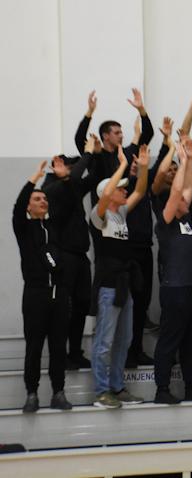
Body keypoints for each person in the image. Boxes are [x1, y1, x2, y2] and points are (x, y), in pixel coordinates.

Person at [152, 137, 192, 404]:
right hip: (174, 288)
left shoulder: (187, 218)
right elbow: (179, 190)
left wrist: (189, 159)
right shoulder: (166, 220)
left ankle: (191, 387)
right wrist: (181, 159)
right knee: (170, 339)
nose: (187, 200)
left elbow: (187, 187)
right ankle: (162, 389)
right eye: (182, 200)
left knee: (191, 340)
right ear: (172, 203)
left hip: (190, 287)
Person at [89, 145, 150, 408]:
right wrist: (122, 165)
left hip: (124, 285)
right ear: (106, 194)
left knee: (124, 340)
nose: (124, 190)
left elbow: (140, 190)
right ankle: (102, 392)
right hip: (108, 287)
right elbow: (106, 196)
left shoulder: (122, 213)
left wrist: (144, 168)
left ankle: (116, 386)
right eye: (119, 188)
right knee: (104, 341)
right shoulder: (98, 215)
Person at [14, 160, 73, 413]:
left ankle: (58, 393)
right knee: (34, 346)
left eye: (44, 199)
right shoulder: (24, 228)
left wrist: (65, 180)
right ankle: (32, 394)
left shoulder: (55, 226)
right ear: (29, 205)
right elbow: (17, 208)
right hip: (35, 294)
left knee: (59, 347)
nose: (42, 202)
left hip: (59, 295)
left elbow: (70, 204)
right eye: (37, 199)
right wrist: (34, 179)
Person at [42, 143, 96, 371]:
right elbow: (74, 178)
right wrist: (88, 153)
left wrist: (99, 157)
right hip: (62, 254)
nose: (75, 171)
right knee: (63, 307)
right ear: (58, 168)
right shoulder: (51, 187)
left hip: (80, 256)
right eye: (69, 167)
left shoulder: (72, 188)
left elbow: (92, 179)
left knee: (82, 304)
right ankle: (60, 354)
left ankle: (75, 352)